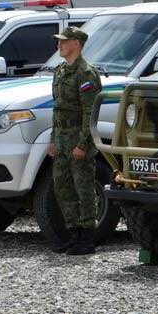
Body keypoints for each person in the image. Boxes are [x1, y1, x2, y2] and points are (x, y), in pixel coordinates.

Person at [47, 26, 102, 255]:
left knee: (83, 188)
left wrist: (83, 144)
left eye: (64, 41)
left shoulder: (85, 73)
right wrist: (52, 139)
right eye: (59, 41)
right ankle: (74, 233)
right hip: (61, 139)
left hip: (78, 139)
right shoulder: (60, 71)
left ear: (76, 44)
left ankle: (87, 237)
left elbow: (90, 112)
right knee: (62, 187)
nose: (59, 45)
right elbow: (57, 109)